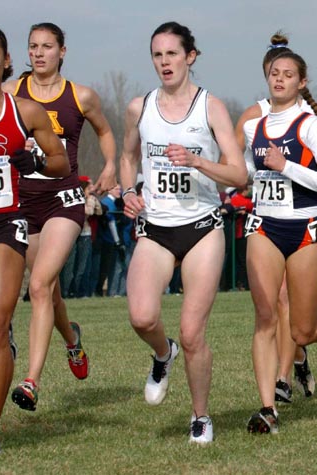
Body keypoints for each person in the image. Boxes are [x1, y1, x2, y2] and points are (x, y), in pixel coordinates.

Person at [118, 22, 248, 444]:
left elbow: (238, 174)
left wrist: (197, 161)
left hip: (202, 226)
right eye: (157, 55)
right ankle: (162, 352)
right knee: (142, 317)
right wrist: (127, 191)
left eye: (172, 54)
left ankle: (201, 417)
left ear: (190, 57)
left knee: (194, 333)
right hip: (155, 227)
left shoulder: (211, 108)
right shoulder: (140, 107)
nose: (164, 63)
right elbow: (126, 156)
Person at [0, 24, 69, 458]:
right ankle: (0, 344)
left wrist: (35, 159)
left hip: (7, 224)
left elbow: (61, 163)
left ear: (5, 61)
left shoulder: (25, 111)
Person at [2, 23, 118, 411]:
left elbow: (103, 131)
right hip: (21, 200)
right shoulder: (10, 94)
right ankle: (71, 339)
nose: (38, 53)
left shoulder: (81, 95)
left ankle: (31, 381)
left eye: (46, 47)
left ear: (62, 51)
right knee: (47, 290)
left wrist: (110, 164)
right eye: (32, 46)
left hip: (63, 200)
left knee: (37, 286)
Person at [235, 33, 317, 403]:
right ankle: (268, 404)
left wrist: (285, 165)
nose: (280, 79)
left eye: (288, 74)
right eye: (274, 73)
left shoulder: (312, 124)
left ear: (301, 82)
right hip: (264, 226)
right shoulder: (252, 127)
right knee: (267, 315)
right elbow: (243, 174)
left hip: (305, 228)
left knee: (301, 330)